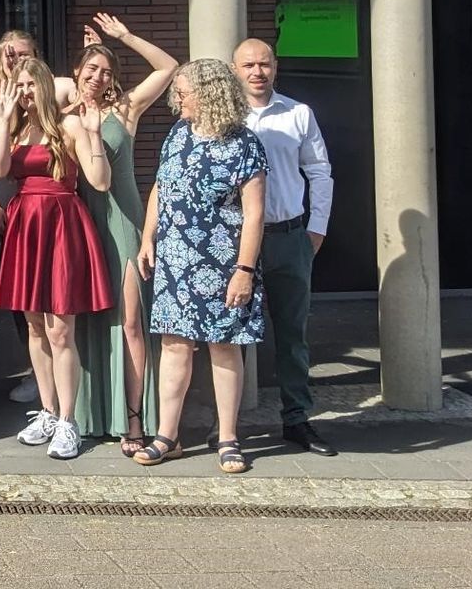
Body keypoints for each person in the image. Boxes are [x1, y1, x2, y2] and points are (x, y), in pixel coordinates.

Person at [134, 58, 268, 474]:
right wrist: (148, 237)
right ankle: (167, 436)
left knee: (223, 345)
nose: (178, 100)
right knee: (174, 344)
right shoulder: (178, 133)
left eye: (183, 92)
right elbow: (161, 187)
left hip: (223, 263)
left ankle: (228, 437)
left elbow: (254, 214)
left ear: (210, 94)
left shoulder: (244, 144)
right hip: (176, 259)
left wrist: (244, 270)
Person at [0, 58, 115, 460]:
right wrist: (3, 121)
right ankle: (47, 410)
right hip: (26, 225)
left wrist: (94, 135)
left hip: (61, 224)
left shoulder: (69, 124)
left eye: (30, 84)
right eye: (19, 85)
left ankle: (68, 421)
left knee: (60, 330)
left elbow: (100, 181)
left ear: (44, 85)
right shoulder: (16, 129)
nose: (24, 91)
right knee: (35, 327)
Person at [68, 14, 179, 453]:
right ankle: (92, 414)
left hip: (122, 223)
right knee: (88, 321)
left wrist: (124, 37)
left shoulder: (124, 111)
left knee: (131, 322)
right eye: (91, 69)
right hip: (81, 224)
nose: (98, 77)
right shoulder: (62, 112)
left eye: (106, 71)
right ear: (76, 71)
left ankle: (134, 419)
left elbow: (168, 67)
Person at [234, 38, 337, 457]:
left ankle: (297, 419)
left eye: (264, 64)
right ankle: (228, 425)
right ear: (235, 69)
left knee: (293, 335)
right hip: (236, 242)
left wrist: (317, 228)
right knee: (230, 333)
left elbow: (320, 170)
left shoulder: (298, 113)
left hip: (289, 236)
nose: (257, 72)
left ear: (275, 67)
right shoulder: (225, 118)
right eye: (248, 65)